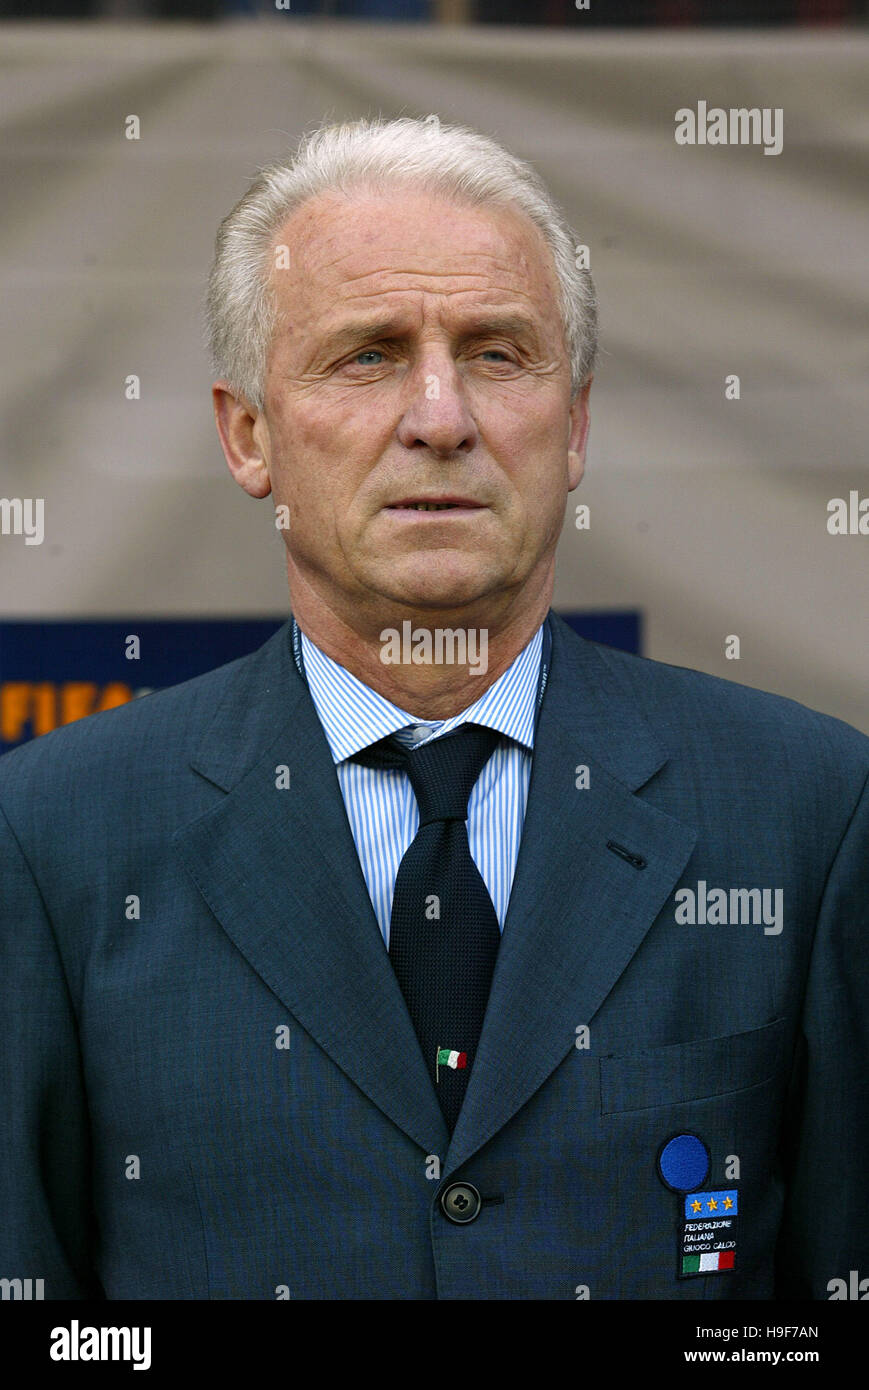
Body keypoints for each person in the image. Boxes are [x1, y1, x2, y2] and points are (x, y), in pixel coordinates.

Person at [1, 116, 866, 1301]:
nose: (440, 418)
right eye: (366, 355)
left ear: (573, 427)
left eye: (498, 353)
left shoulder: (808, 808)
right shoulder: (52, 834)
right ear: (248, 435)